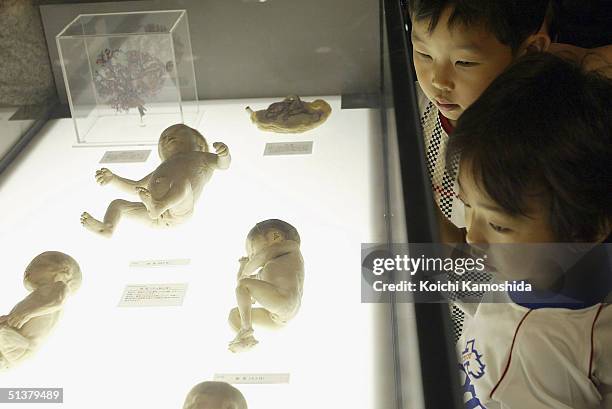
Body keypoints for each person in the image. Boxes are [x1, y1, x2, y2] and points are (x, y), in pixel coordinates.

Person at [447, 53, 612, 408]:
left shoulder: (540, 348)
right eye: (467, 205)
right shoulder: (538, 268)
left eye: (498, 224)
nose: (472, 236)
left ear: (588, 229)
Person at [406, 0, 551, 233]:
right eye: (424, 54)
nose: (438, 80)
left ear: (529, 52)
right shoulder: (410, 107)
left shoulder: (530, 149)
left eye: (464, 62)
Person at [81, 124, 230, 237]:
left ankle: (159, 205)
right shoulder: (163, 167)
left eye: (177, 133)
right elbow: (136, 187)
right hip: (154, 215)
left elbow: (222, 164)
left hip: (179, 212)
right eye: (163, 138)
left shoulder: (200, 158)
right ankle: (107, 227)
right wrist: (114, 179)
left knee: (184, 184)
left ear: (199, 144)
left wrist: (224, 155)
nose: (167, 137)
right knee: (118, 204)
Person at [228, 219, 304, 353]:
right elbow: (241, 284)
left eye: (252, 250)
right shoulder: (266, 272)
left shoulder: (290, 248)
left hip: (285, 301)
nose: (251, 256)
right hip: (278, 318)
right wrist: (242, 267)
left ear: (275, 236)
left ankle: (246, 329)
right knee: (235, 314)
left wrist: (246, 268)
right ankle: (246, 338)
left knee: (244, 285)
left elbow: (263, 256)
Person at [0, 251, 82, 370]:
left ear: (65, 270)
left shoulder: (59, 287)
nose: (26, 273)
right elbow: (15, 320)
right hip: (14, 345)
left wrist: (25, 314)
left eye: (36, 265)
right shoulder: (38, 296)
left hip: (22, 347)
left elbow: (58, 300)